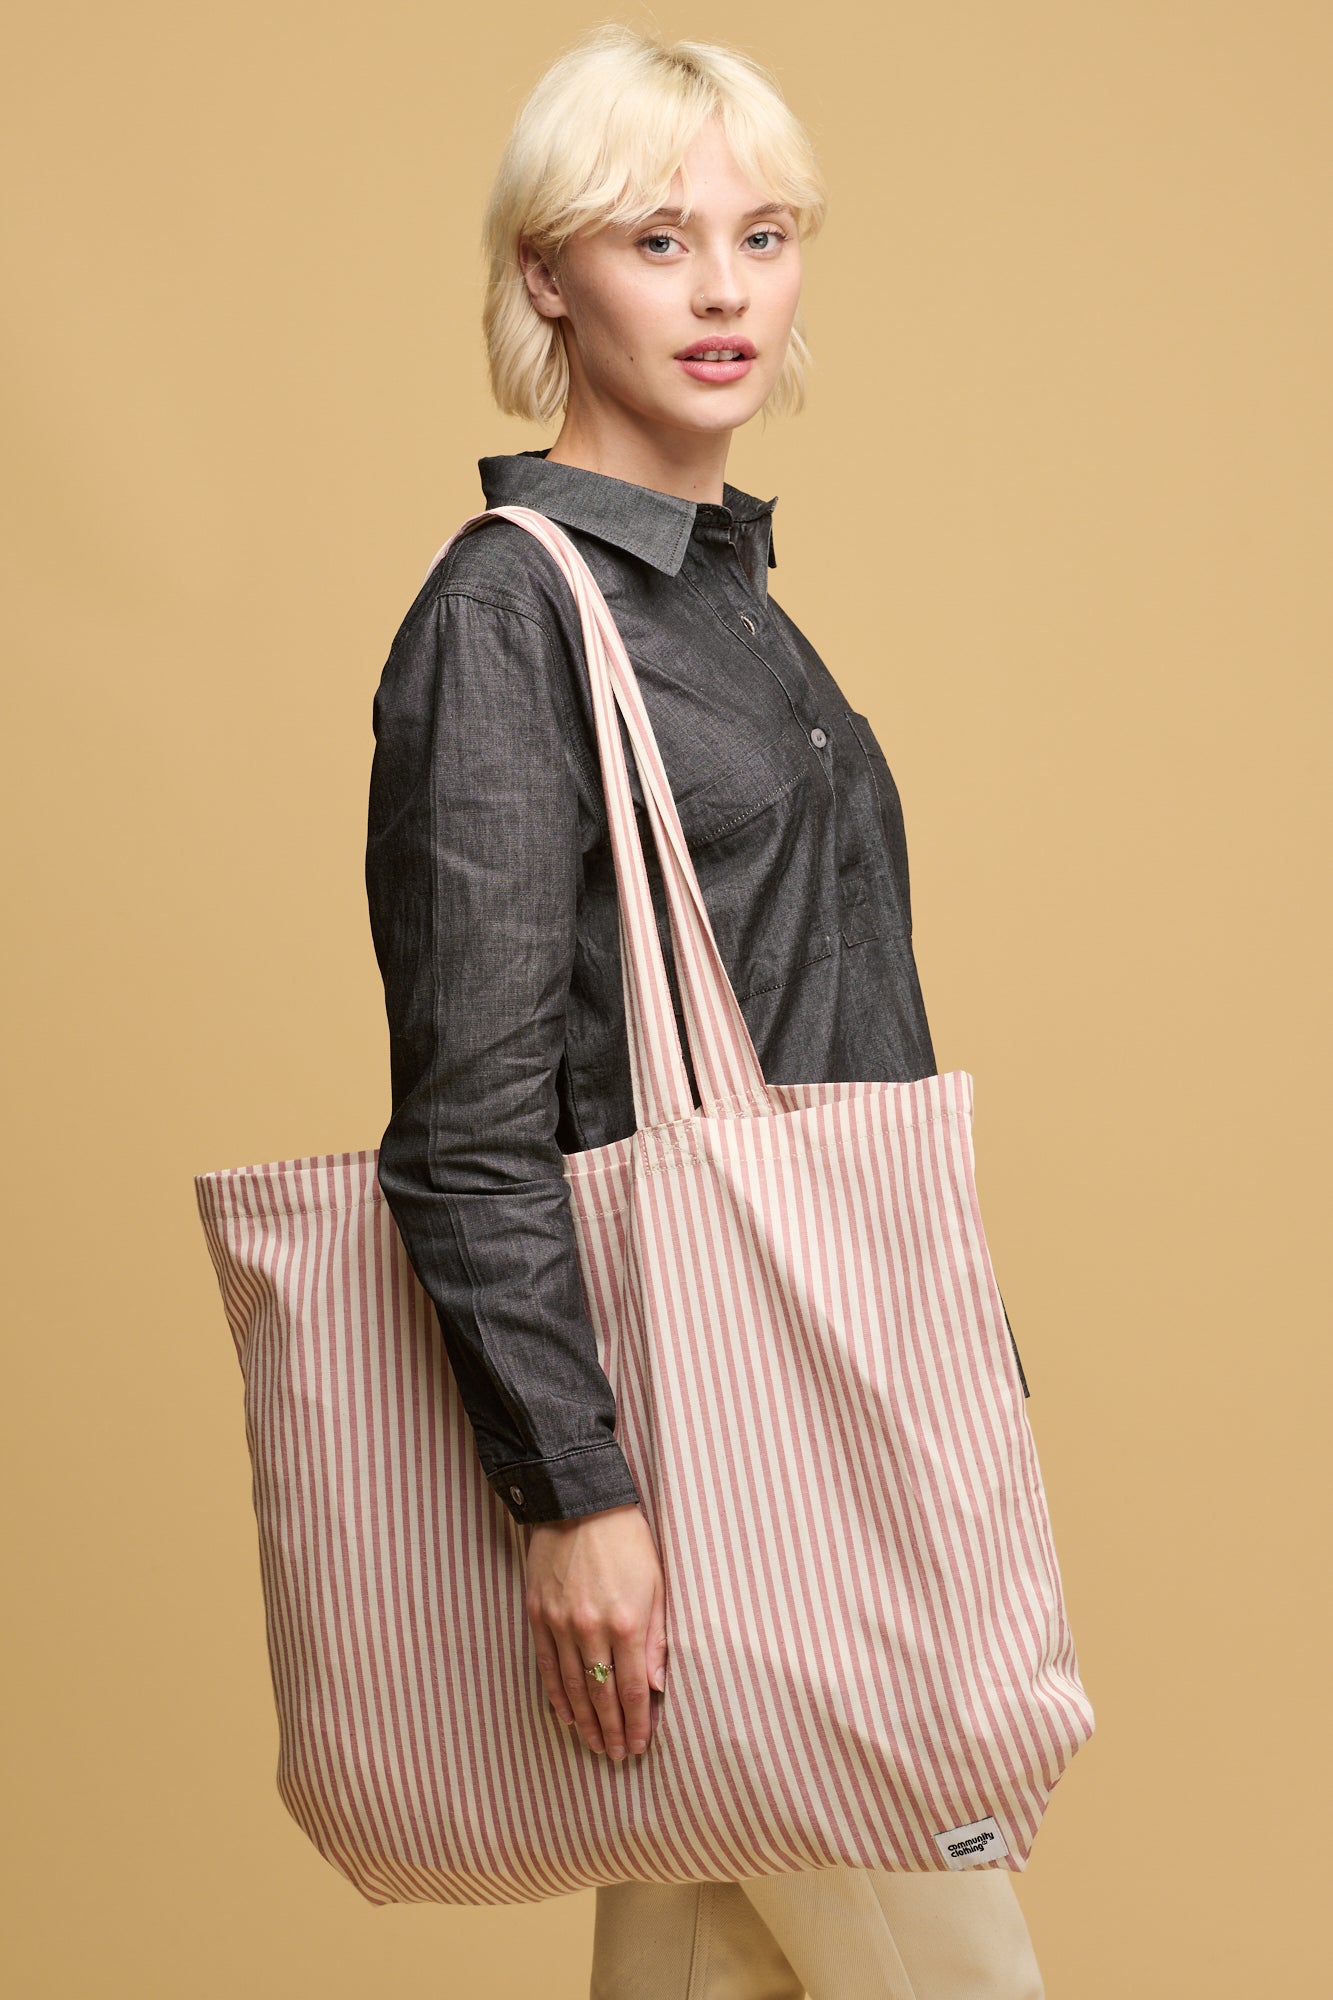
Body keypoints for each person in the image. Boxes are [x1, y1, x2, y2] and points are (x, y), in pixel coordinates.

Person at [365, 23, 1045, 2000]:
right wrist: (576, 1494)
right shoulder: (510, 615)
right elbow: (469, 1117)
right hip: (696, 1444)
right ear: (546, 275)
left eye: (762, 231)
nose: (728, 285)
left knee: (700, 1965)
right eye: (660, 238)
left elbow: (838, 1023)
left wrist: (953, 1371)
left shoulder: (734, 609)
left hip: (842, 1401)